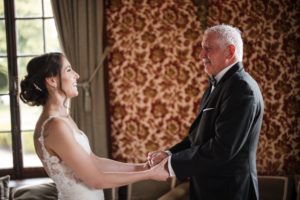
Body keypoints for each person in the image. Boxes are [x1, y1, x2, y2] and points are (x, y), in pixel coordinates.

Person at [20, 52, 168, 200]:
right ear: (52, 80)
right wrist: (149, 174)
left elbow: (94, 161)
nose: (76, 75)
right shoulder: (54, 126)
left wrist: (142, 167)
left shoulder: (63, 118)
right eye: (69, 70)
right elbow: (96, 180)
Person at [147, 24, 264, 200]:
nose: (201, 55)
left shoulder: (242, 88)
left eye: (207, 49)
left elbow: (222, 149)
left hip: (230, 193)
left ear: (230, 52)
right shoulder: (217, 84)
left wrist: (171, 165)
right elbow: (199, 138)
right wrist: (169, 154)